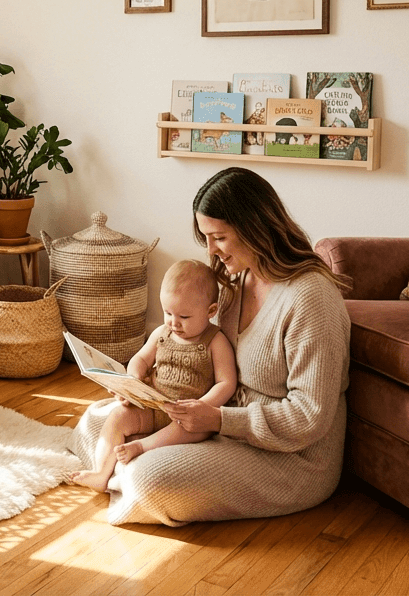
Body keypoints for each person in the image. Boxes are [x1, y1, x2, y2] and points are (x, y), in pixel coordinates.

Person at [69, 167, 352, 526]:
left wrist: (218, 419)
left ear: (255, 228)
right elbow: (201, 350)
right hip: (223, 422)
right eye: (205, 237)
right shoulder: (239, 277)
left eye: (218, 237)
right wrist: (145, 391)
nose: (210, 251)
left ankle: (131, 468)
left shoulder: (311, 298)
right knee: (96, 421)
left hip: (291, 455)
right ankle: (129, 462)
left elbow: (309, 417)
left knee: (148, 478)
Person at [71, 260, 237, 492]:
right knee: (118, 415)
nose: (173, 322)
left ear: (211, 310)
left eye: (184, 317)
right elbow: (140, 359)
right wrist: (135, 378)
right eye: (168, 312)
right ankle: (101, 473)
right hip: (154, 405)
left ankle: (141, 446)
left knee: (188, 428)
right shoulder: (162, 333)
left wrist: (202, 407)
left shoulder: (215, 341)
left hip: (189, 417)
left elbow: (227, 382)